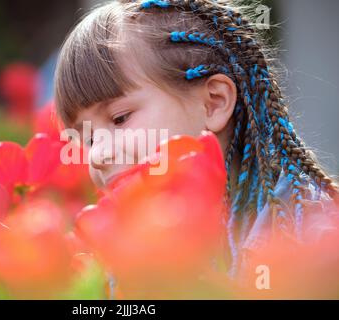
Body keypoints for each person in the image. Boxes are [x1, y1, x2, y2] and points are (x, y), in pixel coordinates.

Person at [53, 0, 339, 284]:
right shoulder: (117, 265)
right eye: (88, 138)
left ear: (213, 103)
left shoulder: (316, 235)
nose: (97, 155)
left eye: (119, 119)